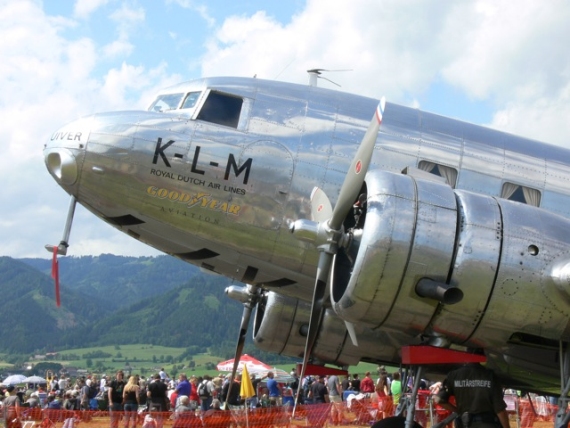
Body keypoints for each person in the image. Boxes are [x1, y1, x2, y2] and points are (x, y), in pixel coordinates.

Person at [435, 363, 510, 428]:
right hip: (487, 423)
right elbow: (499, 408)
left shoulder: (453, 375)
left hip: (464, 423)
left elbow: (439, 399)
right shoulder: (490, 375)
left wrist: (459, 411)